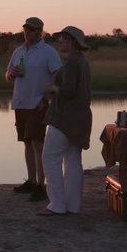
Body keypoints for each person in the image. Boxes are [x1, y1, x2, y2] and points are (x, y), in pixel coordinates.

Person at [5, 17, 62, 201]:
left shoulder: (48, 52)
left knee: (38, 143)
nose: (27, 32)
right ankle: (30, 181)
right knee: (27, 142)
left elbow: (57, 76)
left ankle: (41, 185)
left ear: (40, 31)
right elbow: (7, 75)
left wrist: (47, 99)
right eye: (26, 29)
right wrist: (11, 73)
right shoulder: (19, 51)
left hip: (38, 104)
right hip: (20, 102)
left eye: (31, 30)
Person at [38, 26, 92, 216]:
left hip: (65, 118)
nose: (59, 41)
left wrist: (53, 89)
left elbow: (69, 91)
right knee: (73, 160)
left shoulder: (71, 64)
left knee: (50, 158)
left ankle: (57, 205)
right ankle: (72, 205)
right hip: (80, 118)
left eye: (62, 39)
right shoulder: (82, 62)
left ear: (71, 41)